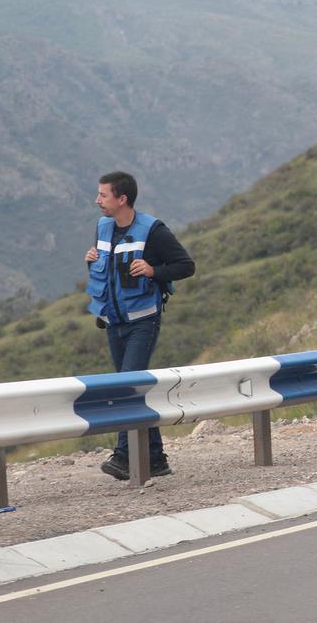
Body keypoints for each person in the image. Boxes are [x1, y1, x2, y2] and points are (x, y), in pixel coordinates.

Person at [86, 171, 195, 480]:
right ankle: (156, 458)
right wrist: (90, 259)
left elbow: (186, 266)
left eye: (103, 195)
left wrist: (153, 269)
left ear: (122, 199)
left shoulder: (153, 231)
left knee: (125, 388)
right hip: (113, 323)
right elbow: (106, 272)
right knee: (133, 390)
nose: (97, 201)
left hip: (142, 322)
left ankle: (123, 456)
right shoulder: (103, 227)